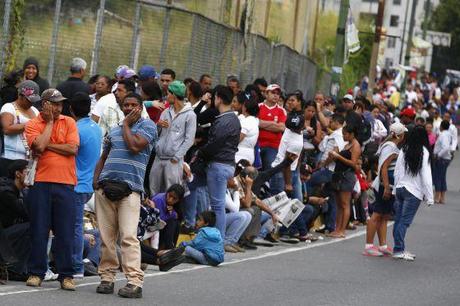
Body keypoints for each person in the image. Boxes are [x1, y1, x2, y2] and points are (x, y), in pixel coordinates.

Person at [93, 93, 157, 298]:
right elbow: (104, 156)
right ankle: (107, 277)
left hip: (130, 191)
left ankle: (134, 282)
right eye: (126, 105)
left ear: (141, 108)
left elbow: (135, 145)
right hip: (106, 188)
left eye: (134, 105)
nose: (129, 108)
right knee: (107, 237)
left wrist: (126, 125)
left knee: (129, 237)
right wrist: (96, 181)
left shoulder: (148, 127)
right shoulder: (113, 131)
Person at [24, 88, 79, 291]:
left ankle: (66, 275)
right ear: (44, 105)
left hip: (65, 183)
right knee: (39, 229)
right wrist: (49, 123)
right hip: (40, 182)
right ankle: (36, 272)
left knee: (65, 232)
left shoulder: (70, 122)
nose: (58, 107)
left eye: (60, 104)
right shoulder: (33, 124)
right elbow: (38, 147)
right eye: (53, 103)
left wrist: (49, 145)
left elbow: (72, 148)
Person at [199, 86, 241, 238]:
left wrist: (201, 152)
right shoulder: (233, 118)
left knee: (218, 206)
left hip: (219, 165)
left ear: (219, 98)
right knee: (217, 204)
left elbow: (215, 143)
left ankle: (218, 239)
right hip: (226, 164)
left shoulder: (225, 120)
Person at [69, 92, 102, 278]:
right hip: (88, 185)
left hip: (76, 184)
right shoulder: (96, 128)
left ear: (71, 109)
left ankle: (76, 267)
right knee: (74, 225)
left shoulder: (75, 129)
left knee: (73, 227)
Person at [363, 122, 407, 257]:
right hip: (385, 185)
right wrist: (386, 187)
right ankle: (369, 246)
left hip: (390, 185)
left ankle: (382, 245)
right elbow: (383, 168)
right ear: (399, 135)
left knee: (385, 215)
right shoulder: (391, 147)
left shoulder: (391, 146)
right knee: (377, 214)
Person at [392, 125, 433, 261]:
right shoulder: (424, 152)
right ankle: (398, 250)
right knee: (405, 222)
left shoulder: (404, 149)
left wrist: (394, 188)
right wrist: (430, 197)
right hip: (413, 191)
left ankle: (399, 248)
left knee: (398, 220)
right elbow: (426, 176)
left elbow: (398, 170)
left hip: (400, 188)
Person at [149, 81, 196, 195]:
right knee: (153, 191)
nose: (166, 96)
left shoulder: (190, 115)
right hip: (158, 158)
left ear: (174, 95)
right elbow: (157, 133)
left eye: (168, 93)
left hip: (173, 161)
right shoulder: (165, 112)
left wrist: (176, 157)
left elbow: (189, 140)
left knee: (171, 194)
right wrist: (158, 125)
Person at [327, 125, 361, 238]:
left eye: (345, 134)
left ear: (352, 134)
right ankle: (337, 229)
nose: (343, 136)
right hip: (339, 175)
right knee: (339, 204)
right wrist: (333, 155)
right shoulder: (347, 145)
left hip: (347, 175)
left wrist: (338, 156)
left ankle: (342, 230)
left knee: (345, 204)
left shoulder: (356, 146)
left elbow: (353, 163)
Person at [0, 81, 40, 172]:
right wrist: (31, 124)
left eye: (33, 100)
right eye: (28, 99)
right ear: (20, 95)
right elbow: (7, 129)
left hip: (27, 159)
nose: (31, 103)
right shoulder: (9, 107)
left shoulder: (35, 111)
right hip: (9, 158)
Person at [0, 160, 30, 280]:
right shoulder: (6, 191)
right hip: (2, 237)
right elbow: (27, 213)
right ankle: (15, 269)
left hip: (6, 234)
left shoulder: (19, 191)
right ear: (18, 174)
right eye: (28, 172)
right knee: (32, 227)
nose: (33, 175)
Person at [258, 84, 286, 195]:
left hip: (273, 146)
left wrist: (262, 124)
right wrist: (273, 124)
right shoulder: (258, 106)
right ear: (266, 93)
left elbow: (281, 127)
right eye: (273, 92)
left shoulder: (281, 111)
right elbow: (255, 122)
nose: (275, 95)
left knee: (272, 170)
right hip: (258, 144)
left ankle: (273, 195)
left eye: (277, 93)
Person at [145, 184, 185, 250]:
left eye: (174, 198)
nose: (170, 200)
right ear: (167, 192)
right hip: (152, 228)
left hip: (163, 230)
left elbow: (180, 218)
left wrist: (173, 213)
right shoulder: (159, 199)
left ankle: (171, 247)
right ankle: (169, 248)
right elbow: (159, 221)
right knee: (172, 222)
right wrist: (172, 214)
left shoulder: (177, 205)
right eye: (170, 196)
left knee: (177, 223)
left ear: (178, 200)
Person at [235, 92, 259, 164]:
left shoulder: (247, 122)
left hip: (240, 154)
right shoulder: (255, 120)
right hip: (249, 153)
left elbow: (238, 139)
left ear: (245, 108)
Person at [433, 120, 452, 204]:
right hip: (445, 159)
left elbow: (446, 147)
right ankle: (442, 197)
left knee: (438, 177)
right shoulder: (447, 134)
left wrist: (438, 155)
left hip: (442, 159)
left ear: (441, 126)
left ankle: (437, 196)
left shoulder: (444, 135)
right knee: (442, 177)